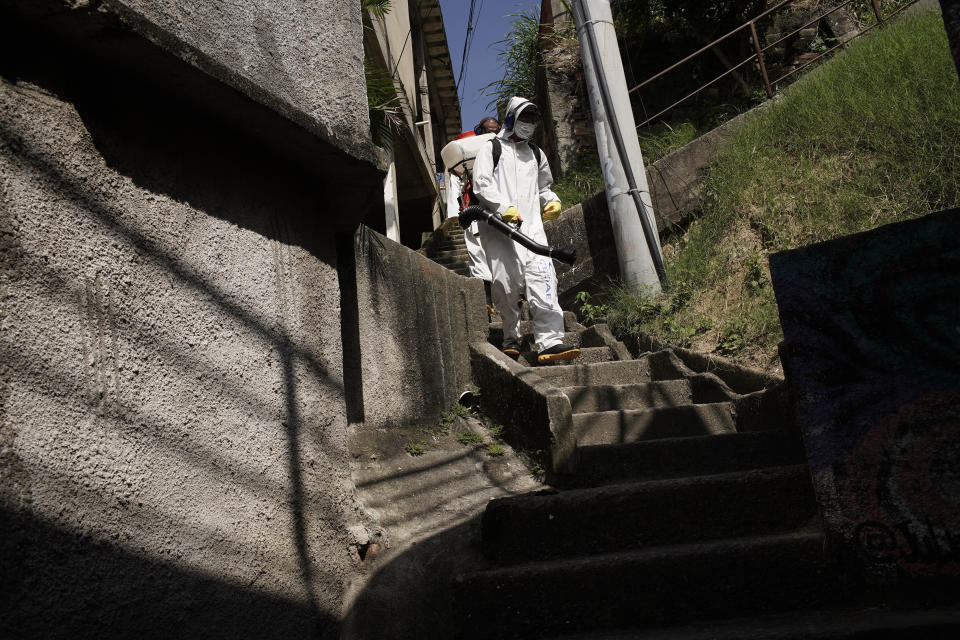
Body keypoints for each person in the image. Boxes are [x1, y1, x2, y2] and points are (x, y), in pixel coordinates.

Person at [472, 97, 580, 364]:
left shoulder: (536, 153)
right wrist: (503, 207)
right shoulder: (492, 148)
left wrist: (551, 200)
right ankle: (511, 337)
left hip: (532, 230)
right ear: (511, 119)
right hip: (499, 230)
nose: (528, 125)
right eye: (524, 119)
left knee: (544, 281)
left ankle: (550, 342)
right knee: (506, 286)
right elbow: (482, 183)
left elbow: (544, 186)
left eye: (532, 120)